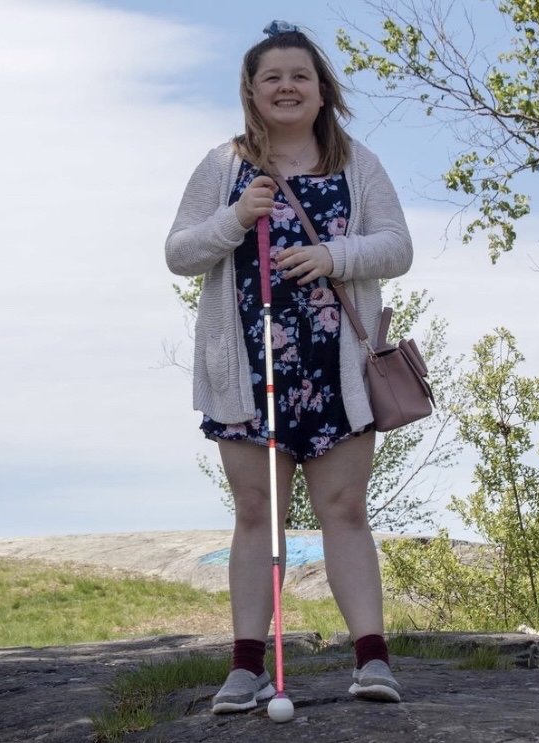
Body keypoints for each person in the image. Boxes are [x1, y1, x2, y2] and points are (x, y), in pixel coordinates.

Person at [165, 20, 413, 712]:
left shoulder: (356, 161)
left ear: (321, 88)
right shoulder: (223, 165)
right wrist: (236, 218)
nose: (286, 87)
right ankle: (245, 668)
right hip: (247, 373)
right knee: (254, 513)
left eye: (299, 75)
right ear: (251, 90)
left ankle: (373, 661)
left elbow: (396, 246)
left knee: (345, 510)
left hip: (336, 374)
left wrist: (334, 257)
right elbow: (181, 251)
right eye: (272, 76)